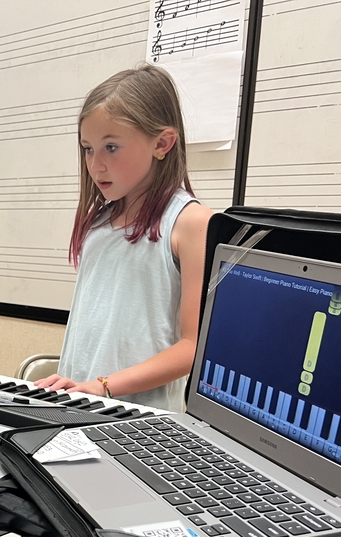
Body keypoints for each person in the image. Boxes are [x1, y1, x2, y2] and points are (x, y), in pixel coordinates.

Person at [35, 64, 213, 412]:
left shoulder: (192, 223)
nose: (95, 164)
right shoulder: (100, 219)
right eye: (88, 149)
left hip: (137, 420)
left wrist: (102, 387)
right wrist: (82, 388)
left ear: (162, 143)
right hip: (79, 403)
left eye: (111, 147)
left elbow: (193, 347)